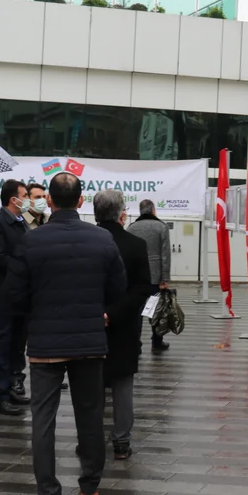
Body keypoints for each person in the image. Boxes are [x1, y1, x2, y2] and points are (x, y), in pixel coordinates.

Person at [6, 173, 126, 495]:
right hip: (90, 341)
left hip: (45, 344)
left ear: (50, 202)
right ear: (80, 201)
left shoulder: (31, 242)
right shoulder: (103, 239)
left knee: (43, 420)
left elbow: (14, 295)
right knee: (90, 417)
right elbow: (117, 290)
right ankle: (89, 487)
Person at [93, 190, 153, 460]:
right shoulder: (135, 244)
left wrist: (98, 313)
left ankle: (90, 439)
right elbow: (142, 289)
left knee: (90, 386)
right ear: (122, 214)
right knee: (122, 384)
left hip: (89, 325)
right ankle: (121, 442)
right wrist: (114, 313)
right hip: (125, 326)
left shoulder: (85, 241)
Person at [0, 179, 30, 417]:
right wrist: (24, 267)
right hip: (3, 298)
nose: (28, 200)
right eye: (25, 195)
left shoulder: (22, 222)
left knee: (16, 347)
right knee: (3, 347)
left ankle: (12, 389)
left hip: (20, 297)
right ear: (14, 199)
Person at [127, 199, 172, 352]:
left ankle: (135, 344)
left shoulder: (131, 228)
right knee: (156, 310)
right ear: (153, 210)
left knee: (137, 312)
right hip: (156, 278)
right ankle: (157, 341)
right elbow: (165, 255)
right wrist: (165, 278)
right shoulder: (161, 227)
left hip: (136, 278)